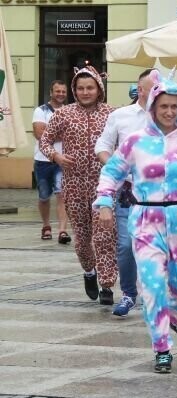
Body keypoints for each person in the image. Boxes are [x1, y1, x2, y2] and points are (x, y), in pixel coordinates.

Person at [95, 70, 177, 373]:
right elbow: (112, 173)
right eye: (163, 106)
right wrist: (104, 200)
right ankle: (162, 348)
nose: (169, 112)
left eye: (174, 106)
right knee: (153, 285)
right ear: (153, 107)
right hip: (145, 220)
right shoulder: (134, 142)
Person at [39, 65, 117, 305]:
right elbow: (45, 141)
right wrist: (56, 157)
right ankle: (89, 271)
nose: (85, 92)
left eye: (90, 88)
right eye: (81, 88)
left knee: (104, 236)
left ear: (99, 89)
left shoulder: (111, 114)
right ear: (74, 90)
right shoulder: (63, 114)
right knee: (82, 239)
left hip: (103, 186)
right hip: (73, 185)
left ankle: (107, 285)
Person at [95, 68, 156, 317]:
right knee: (126, 245)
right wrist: (115, 168)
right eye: (152, 88)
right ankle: (129, 294)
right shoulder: (121, 116)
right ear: (140, 89)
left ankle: (158, 296)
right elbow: (103, 145)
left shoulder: (169, 116)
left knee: (160, 247)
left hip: (159, 195)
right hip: (128, 191)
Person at [32, 80, 70, 244]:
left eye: (63, 91)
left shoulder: (69, 111)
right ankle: (46, 225)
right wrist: (62, 133)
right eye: (57, 91)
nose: (61, 94)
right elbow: (40, 133)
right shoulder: (41, 110)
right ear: (51, 92)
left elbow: (73, 134)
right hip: (43, 160)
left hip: (63, 160)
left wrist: (51, 132)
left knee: (62, 195)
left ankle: (62, 230)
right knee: (44, 196)